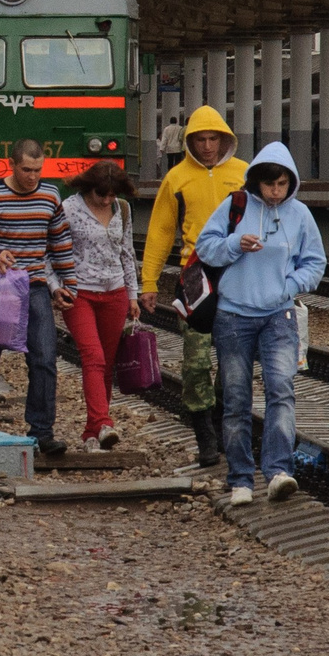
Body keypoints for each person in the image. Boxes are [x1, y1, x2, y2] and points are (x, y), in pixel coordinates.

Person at [196, 141, 325, 505]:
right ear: (255, 182)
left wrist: (289, 286)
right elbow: (206, 247)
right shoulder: (234, 207)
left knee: (280, 391)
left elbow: (315, 263)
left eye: (282, 184)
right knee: (236, 399)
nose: (275, 191)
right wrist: (236, 243)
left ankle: (279, 471)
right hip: (233, 316)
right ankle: (240, 478)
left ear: (290, 183)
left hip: (279, 316)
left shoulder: (300, 215)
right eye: (269, 184)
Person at [141, 104, 245, 469]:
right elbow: (160, 232)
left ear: (224, 138)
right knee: (196, 360)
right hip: (194, 276)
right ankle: (205, 436)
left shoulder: (244, 174)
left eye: (213, 138)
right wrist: (148, 283)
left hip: (238, 277)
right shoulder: (177, 179)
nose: (206, 146)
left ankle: (220, 425)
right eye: (199, 139)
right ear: (189, 142)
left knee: (234, 360)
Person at [0, 137, 76, 455]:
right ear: (12, 165)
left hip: (35, 285)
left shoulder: (50, 195)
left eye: (38, 170)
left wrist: (68, 284)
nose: (33, 177)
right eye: (26, 170)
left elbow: (60, 241)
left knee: (44, 359)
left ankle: (42, 431)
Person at [60, 160, 136, 451]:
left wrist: (132, 294)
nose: (106, 200)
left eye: (111, 194)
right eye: (100, 194)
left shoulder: (123, 209)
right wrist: (57, 287)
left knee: (106, 363)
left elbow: (126, 253)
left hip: (114, 292)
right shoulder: (68, 209)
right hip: (79, 294)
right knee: (93, 357)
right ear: (87, 187)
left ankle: (92, 432)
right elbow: (51, 251)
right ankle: (104, 422)